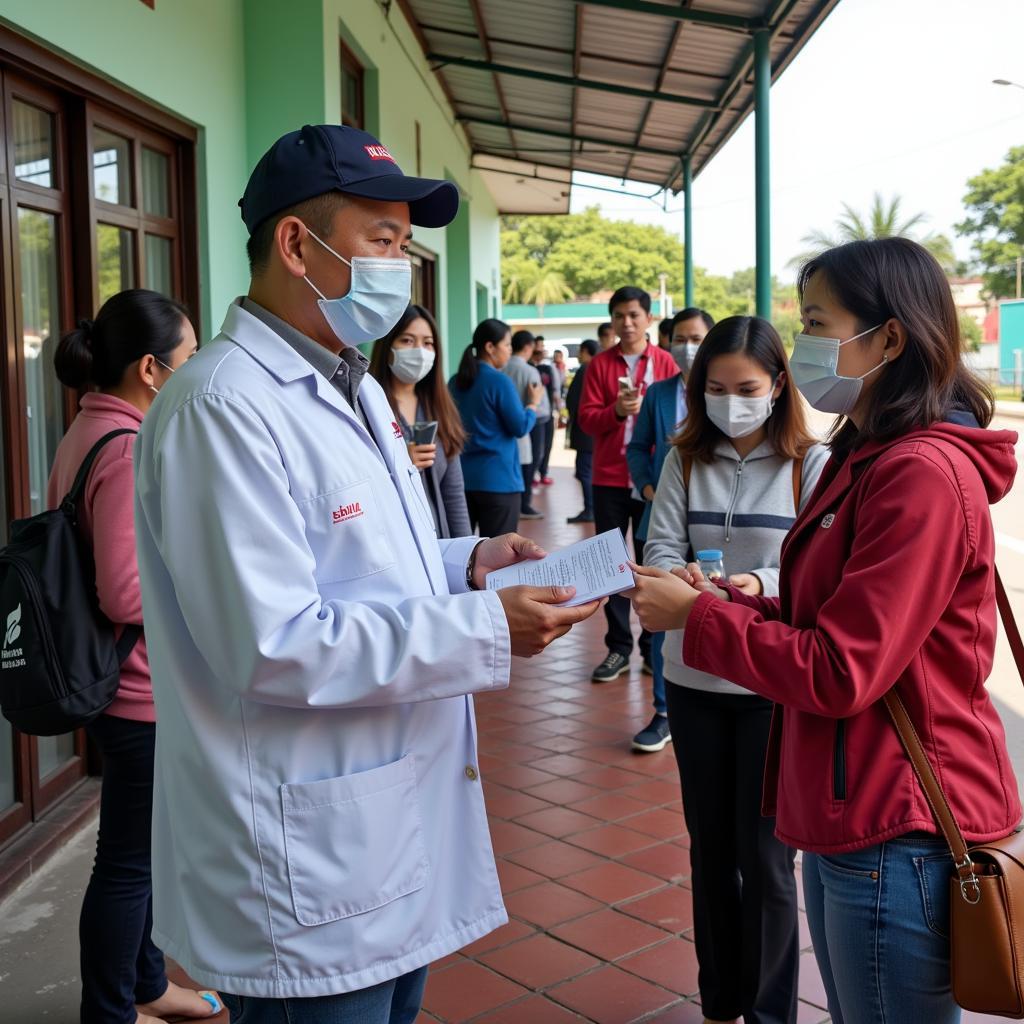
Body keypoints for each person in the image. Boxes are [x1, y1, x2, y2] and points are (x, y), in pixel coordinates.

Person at [133, 124, 599, 1024]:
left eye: (406, 247)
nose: (402, 268)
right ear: (296, 244)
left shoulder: (350, 386)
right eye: (381, 242)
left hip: (383, 840)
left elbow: (370, 565)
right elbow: (272, 642)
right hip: (306, 864)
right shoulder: (222, 408)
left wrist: (471, 567)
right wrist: (487, 630)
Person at [629, 238, 1021, 1024]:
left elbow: (843, 668)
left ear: (889, 337)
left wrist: (703, 616)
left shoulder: (916, 474)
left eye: (816, 322)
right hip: (852, 804)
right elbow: (825, 609)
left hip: (894, 815)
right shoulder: (866, 455)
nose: (804, 342)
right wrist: (738, 606)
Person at [638, 315, 827, 1023]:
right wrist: (677, 573)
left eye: (745, 387)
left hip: (770, 688)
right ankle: (720, 1002)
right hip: (693, 681)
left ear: (778, 386)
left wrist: (759, 586)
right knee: (711, 853)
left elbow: (814, 576)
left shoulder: (813, 464)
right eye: (714, 388)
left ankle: (770, 1012)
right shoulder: (685, 458)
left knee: (770, 862)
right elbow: (657, 547)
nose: (729, 401)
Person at [47, 290, 218, 1024]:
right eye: (189, 357)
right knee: (127, 865)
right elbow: (124, 592)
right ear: (152, 369)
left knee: (142, 857)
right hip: (138, 690)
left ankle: (146, 987)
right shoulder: (124, 447)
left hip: (122, 684)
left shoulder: (93, 426)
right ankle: (111, 1010)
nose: (197, 368)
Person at [625, 307, 714, 752]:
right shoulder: (659, 393)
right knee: (661, 612)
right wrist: (646, 487)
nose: (688, 346)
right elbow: (638, 447)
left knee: (715, 602)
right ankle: (664, 711)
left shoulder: (723, 393)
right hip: (659, 521)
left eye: (696, 337)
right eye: (680, 337)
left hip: (716, 527)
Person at [578, 286, 677, 682]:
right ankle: (618, 648)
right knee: (610, 566)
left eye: (634, 314)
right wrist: (616, 412)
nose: (627, 322)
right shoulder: (600, 365)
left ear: (648, 318)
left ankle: (654, 648)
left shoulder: (667, 363)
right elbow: (586, 420)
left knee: (653, 562)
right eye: (619, 315)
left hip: (654, 480)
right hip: (609, 478)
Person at [369, 304, 470, 538]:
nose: (419, 351)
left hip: (438, 541)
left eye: (428, 343)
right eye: (407, 340)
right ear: (387, 346)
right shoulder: (367, 406)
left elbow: (454, 493)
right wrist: (402, 464)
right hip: (394, 542)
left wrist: (467, 552)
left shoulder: (439, 408)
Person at [452, 320, 543, 535]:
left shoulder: (455, 381)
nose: (510, 351)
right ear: (490, 347)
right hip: (499, 481)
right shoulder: (498, 381)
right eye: (508, 345)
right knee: (499, 562)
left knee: (464, 555)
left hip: (462, 480)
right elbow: (520, 427)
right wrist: (532, 404)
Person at [502, 329, 545, 520]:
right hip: (525, 424)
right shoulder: (529, 371)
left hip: (502, 431)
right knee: (527, 467)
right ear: (528, 347)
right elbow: (539, 404)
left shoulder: (500, 369)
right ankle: (524, 506)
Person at [565, 338, 598, 523]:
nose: (578, 355)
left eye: (580, 351)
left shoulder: (585, 369)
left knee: (585, 471)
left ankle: (590, 509)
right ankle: (590, 508)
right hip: (592, 433)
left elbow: (573, 401)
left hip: (585, 433)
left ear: (586, 351)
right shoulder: (597, 368)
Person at [528, 340, 558, 486]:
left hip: (547, 412)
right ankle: (532, 475)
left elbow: (555, 389)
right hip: (535, 414)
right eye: (536, 351)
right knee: (536, 448)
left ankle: (543, 472)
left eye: (542, 351)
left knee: (546, 446)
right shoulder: (528, 368)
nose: (540, 354)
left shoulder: (547, 368)